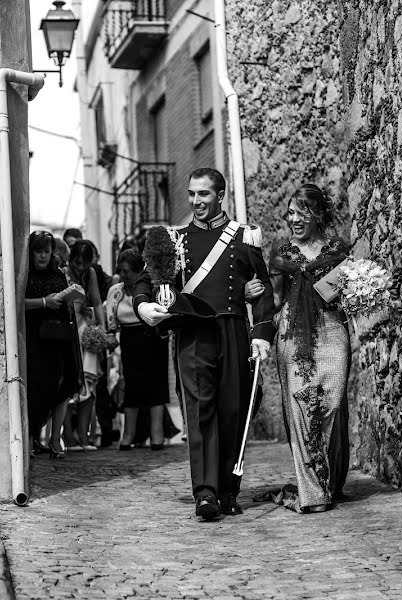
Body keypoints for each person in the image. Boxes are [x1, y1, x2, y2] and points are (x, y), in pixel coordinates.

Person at [134, 167, 276, 521]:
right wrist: (143, 306)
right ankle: (205, 493)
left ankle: (229, 490)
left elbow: (264, 288)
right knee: (200, 414)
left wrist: (261, 333)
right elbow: (143, 281)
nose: (196, 201)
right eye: (192, 194)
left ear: (220, 195)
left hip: (233, 331)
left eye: (204, 194)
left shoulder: (245, 238)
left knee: (233, 409)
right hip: (193, 333)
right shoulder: (174, 239)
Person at [246, 184, 350, 513]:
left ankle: (328, 478)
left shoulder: (337, 249)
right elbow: (274, 299)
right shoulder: (282, 254)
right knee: (302, 407)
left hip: (332, 330)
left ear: (317, 214)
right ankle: (312, 492)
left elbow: (345, 295)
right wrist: (253, 297)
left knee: (331, 404)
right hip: (292, 334)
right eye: (290, 213)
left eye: (300, 212)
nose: (293, 219)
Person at [24, 230, 80, 459]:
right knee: (36, 388)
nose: (43, 256)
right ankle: (29, 439)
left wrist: (67, 297)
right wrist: (44, 302)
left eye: (47, 251)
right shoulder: (24, 274)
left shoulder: (57, 273)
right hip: (35, 339)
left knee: (63, 385)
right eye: (39, 251)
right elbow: (17, 302)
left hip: (58, 338)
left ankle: (55, 438)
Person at [105, 249, 169, 450]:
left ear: (137, 271)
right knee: (132, 386)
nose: (123, 275)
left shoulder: (151, 288)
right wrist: (110, 334)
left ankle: (157, 434)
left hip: (152, 337)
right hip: (129, 340)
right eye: (121, 271)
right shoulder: (116, 291)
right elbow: (111, 318)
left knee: (156, 385)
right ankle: (128, 434)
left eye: (127, 271)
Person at [64, 239, 105, 450]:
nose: (80, 267)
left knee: (89, 381)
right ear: (71, 259)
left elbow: (97, 302)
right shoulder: (63, 272)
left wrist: (103, 331)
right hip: (68, 330)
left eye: (84, 263)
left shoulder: (90, 274)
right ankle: (68, 435)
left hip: (85, 329)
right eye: (77, 263)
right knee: (69, 384)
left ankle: (84, 434)